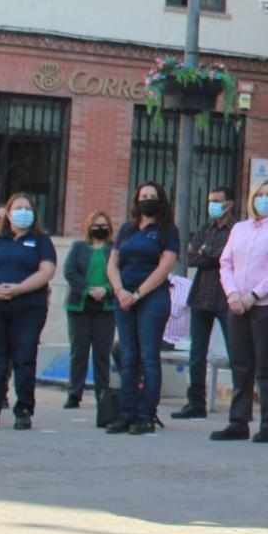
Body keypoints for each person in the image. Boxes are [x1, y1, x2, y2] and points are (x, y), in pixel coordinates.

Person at [215, 180, 268, 442]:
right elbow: (226, 263)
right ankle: (238, 421)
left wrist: (254, 295)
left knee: (266, 364)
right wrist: (233, 294)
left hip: (266, 306)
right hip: (237, 305)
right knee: (240, 364)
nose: (264, 199)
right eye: (260, 194)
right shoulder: (239, 229)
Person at [0, 192, 56, 430]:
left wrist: (19, 289)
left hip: (29, 307)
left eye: (27, 208)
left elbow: (47, 271)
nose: (23, 213)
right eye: (18, 208)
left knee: (24, 357)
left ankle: (24, 409)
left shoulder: (41, 241)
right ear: (7, 213)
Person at [108, 180, 181, 436]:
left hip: (151, 298)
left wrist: (138, 294)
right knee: (128, 356)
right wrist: (119, 291)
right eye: (143, 195)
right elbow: (112, 264)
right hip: (124, 298)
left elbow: (165, 266)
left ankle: (145, 415)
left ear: (160, 200)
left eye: (152, 196)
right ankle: (127, 413)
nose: (147, 199)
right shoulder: (127, 230)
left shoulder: (166, 230)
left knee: (148, 357)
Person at [174, 187, 236, 421]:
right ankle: (195, 402)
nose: (213, 205)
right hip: (201, 294)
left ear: (229, 204)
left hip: (226, 296)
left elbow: (228, 257)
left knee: (235, 352)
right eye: (210, 201)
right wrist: (209, 253)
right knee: (196, 353)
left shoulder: (236, 230)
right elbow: (191, 257)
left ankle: (240, 406)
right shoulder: (203, 228)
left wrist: (206, 252)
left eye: (217, 201)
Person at [61, 210, 117, 414]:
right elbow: (69, 272)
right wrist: (87, 290)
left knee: (102, 353)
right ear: (89, 227)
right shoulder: (78, 247)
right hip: (79, 306)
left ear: (109, 228)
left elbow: (119, 273)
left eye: (104, 225)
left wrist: (107, 289)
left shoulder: (113, 250)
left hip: (106, 306)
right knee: (79, 351)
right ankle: (74, 394)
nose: (100, 229)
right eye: (96, 225)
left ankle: (103, 395)